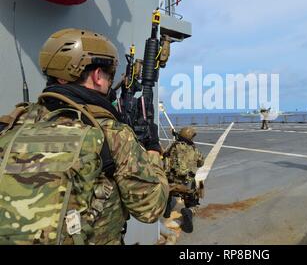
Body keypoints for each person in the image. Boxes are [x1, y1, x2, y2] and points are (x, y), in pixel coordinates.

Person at [0, 28, 169, 244]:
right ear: (98, 76)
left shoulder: (12, 123)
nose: (110, 81)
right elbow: (151, 208)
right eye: (109, 74)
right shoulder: (111, 134)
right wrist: (153, 151)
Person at [163, 127, 205, 233]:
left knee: (168, 194)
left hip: (171, 184)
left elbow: (165, 159)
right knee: (193, 201)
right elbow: (201, 162)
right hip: (187, 185)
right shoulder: (193, 149)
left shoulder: (173, 147)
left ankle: (166, 211)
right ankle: (189, 211)